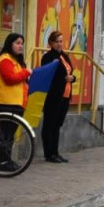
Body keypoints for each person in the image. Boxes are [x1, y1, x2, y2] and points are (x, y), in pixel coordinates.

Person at [0, 33, 31, 172]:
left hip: (17, 102)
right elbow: (10, 78)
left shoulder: (16, 60)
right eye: (17, 43)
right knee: (5, 133)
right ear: (10, 44)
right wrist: (27, 72)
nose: (20, 46)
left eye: (22, 43)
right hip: (7, 101)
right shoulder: (5, 60)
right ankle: (3, 162)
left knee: (10, 134)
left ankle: (7, 160)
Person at [41, 31, 76, 163]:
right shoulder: (48, 57)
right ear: (51, 43)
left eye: (61, 41)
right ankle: (49, 153)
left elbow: (70, 73)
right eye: (57, 41)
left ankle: (55, 152)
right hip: (53, 96)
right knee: (50, 124)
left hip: (65, 95)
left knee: (57, 124)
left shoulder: (65, 57)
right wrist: (63, 78)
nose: (60, 44)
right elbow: (48, 76)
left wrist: (72, 78)